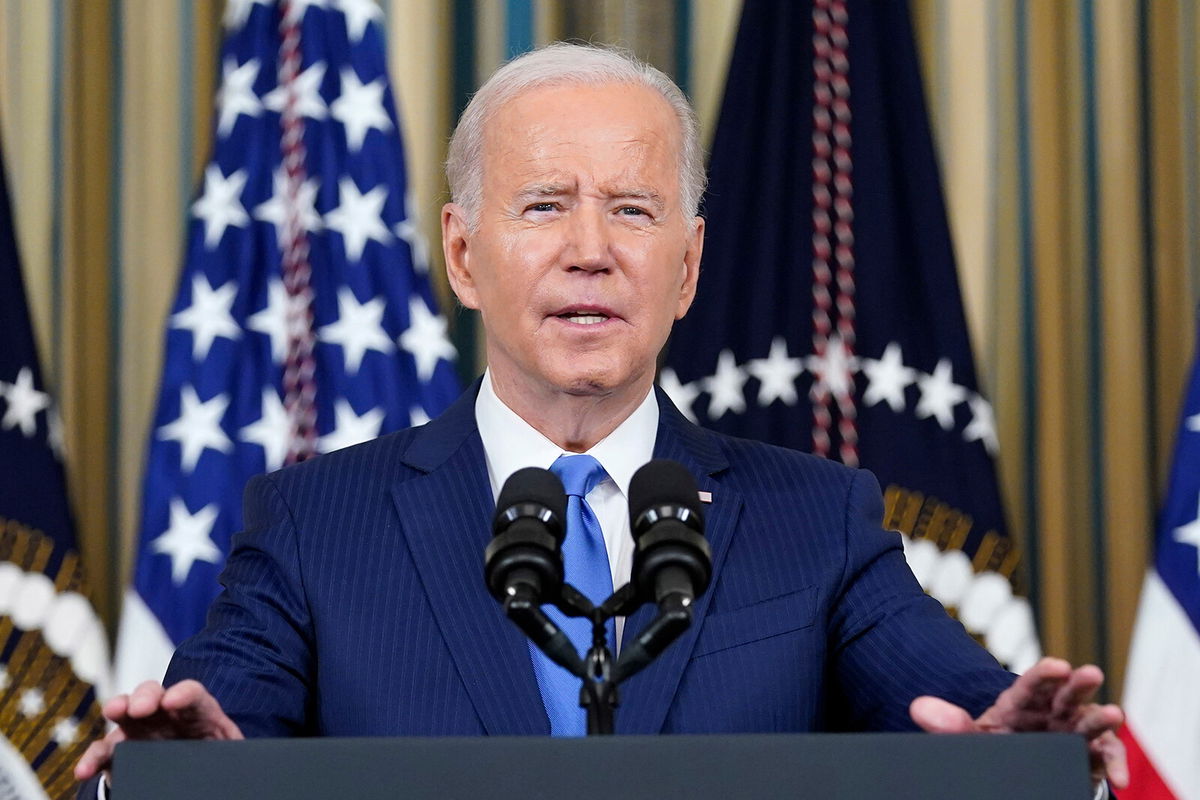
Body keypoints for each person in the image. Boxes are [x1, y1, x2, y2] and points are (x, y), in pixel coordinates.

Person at [75, 42, 1127, 795]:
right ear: (460, 254)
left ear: (689, 265)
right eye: (543, 205)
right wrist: (164, 774)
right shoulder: (316, 521)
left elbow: (960, 704)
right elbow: (211, 736)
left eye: (633, 209)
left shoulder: (819, 517)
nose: (592, 248)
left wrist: (1014, 746)